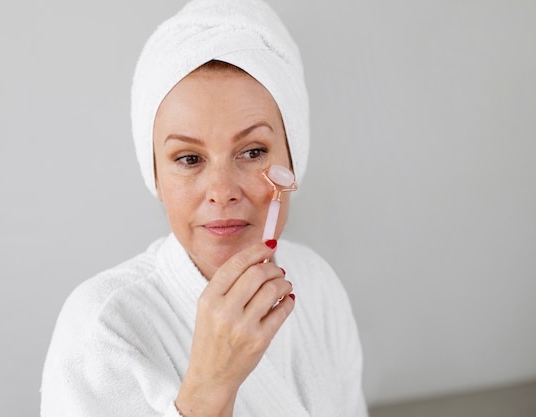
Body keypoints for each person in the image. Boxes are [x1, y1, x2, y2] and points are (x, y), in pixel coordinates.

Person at [40, 0, 367, 416]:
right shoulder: (103, 325)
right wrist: (210, 387)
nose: (221, 191)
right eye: (189, 159)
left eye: (252, 152)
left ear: (293, 159)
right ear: (155, 177)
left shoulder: (316, 285)